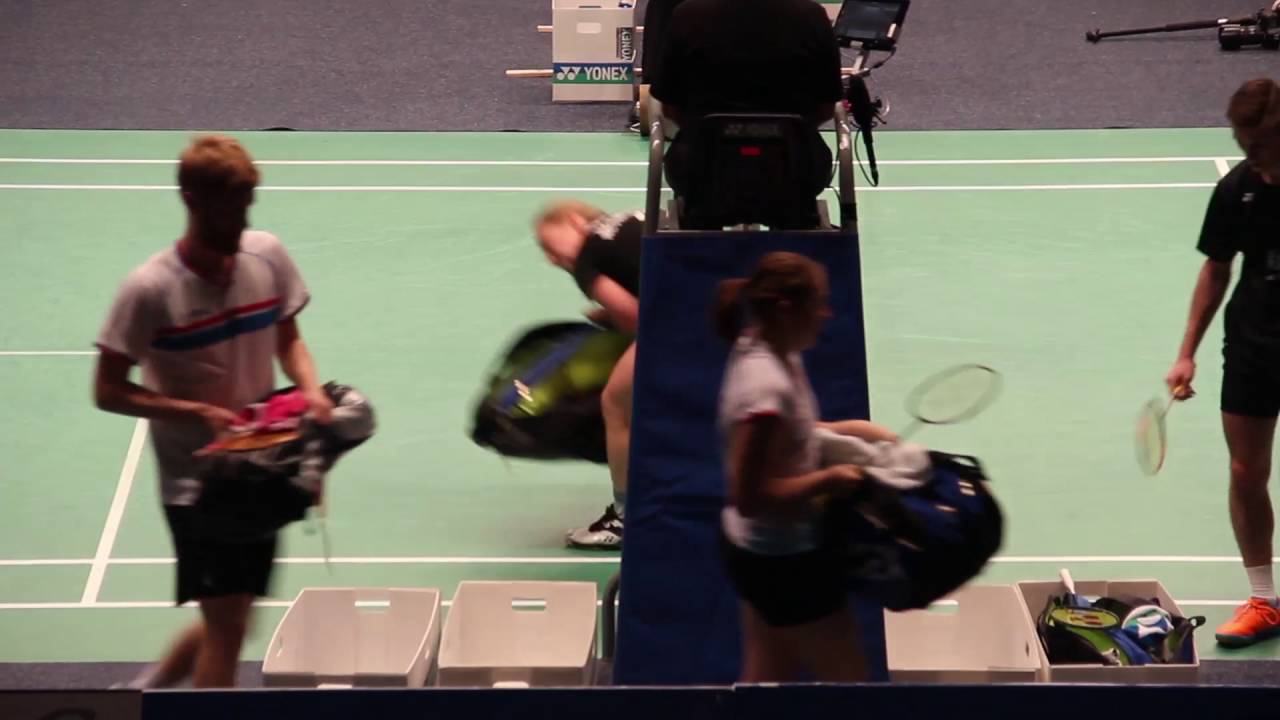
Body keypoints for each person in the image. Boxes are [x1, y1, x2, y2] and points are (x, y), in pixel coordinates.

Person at [93, 135, 331, 687]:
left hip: (261, 465)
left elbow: (289, 339)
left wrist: (311, 388)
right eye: (229, 207)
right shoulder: (149, 289)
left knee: (232, 615)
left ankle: (141, 695)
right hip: (196, 484)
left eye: (247, 205)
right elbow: (107, 390)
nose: (241, 219)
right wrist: (194, 411)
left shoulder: (265, 254)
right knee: (226, 627)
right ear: (191, 200)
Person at [713, 251, 893, 681]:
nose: (827, 313)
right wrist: (830, 478)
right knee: (848, 682)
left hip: (757, 552)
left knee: (768, 672)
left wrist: (853, 431)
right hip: (783, 558)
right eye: (820, 303)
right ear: (787, 309)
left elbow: (793, 437)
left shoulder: (765, 347)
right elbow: (750, 496)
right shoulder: (766, 390)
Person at [1165, 77, 1280, 649]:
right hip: (1255, 345)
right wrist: (1187, 351)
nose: (1247, 154)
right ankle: (1263, 598)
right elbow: (1217, 267)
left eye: (1257, 143)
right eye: (1240, 142)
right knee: (1245, 471)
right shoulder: (1238, 190)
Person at [649, 0, 844, 226]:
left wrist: (708, 131)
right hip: (797, 168)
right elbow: (827, 107)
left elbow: (670, 108)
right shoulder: (812, 15)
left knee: (696, 190)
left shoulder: (687, 15)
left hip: (699, 170)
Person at [534, 201, 644, 549]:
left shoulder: (588, 260)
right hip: (718, 297)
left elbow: (637, 318)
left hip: (682, 320)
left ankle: (625, 519)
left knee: (615, 402)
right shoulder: (626, 218)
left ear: (575, 220)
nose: (551, 259)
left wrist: (613, 321)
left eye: (549, 245)